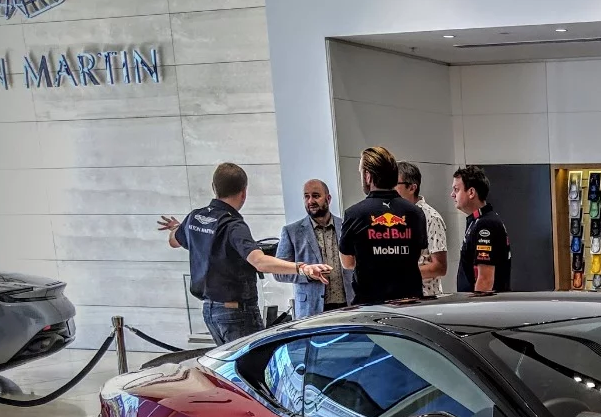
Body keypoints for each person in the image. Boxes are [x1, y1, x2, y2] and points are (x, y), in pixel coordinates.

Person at [157, 162, 329, 343]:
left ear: (214, 187)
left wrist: (179, 227)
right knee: (254, 360)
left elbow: (173, 240)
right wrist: (303, 268)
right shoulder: (233, 225)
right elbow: (259, 261)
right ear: (244, 193)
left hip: (209, 311)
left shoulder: (195, 218)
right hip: (236, 313)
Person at [338, 146, 428, 304]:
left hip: (370, 306)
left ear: (368, 176)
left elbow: (347, 263)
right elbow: (418, 253)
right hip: (410, 304)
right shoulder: (416, 213)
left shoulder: (354, 214)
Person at [275, 179, 354, 317]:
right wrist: (307, 273)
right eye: (306, 196)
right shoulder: (292, 232)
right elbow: (278, 272)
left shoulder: (346, 226)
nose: (310, 201)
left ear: (328, 199)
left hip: (348, 306)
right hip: (311, 310)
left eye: (316, 196)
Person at [451, 164, 512, 292]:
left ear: (471, 192)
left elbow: (485, 279)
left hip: (484, 302)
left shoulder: (486, 224)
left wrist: (475, 304)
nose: (452, 195)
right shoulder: (477, 220)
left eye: (456, 189)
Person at [395, 161, 448, 297]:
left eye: (395, 184)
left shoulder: (431, 217)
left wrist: (400, 274)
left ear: (412, 188)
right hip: (400, 297)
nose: (391, 190)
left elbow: (440, 267)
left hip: (425, 298)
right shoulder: (395, 216)